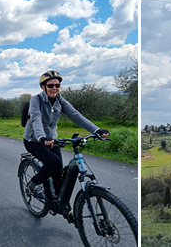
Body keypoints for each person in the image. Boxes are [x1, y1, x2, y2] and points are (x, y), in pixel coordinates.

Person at [23, 71, 109, 200]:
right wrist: (41, 137)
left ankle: (59, 202)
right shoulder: (36, 99)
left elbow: (76, 115)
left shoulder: (60, 100)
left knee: (58, 172)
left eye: (57, 85)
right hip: (34, 140)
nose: (54, 88)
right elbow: (36, 118)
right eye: (51, 85)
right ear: (43, 87)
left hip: (52, 140)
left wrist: (96, 130)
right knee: (54, 163)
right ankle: (33, 184)